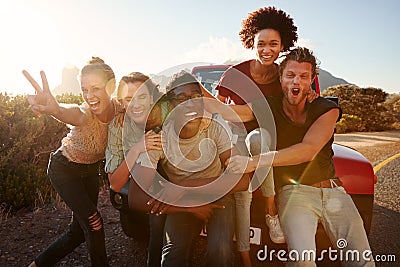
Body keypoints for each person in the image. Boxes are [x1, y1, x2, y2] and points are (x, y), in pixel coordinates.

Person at [215, 47, 374, 266]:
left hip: (334, 191)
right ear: (280, 78)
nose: (296, 82)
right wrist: (194, 95)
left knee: (362, 261)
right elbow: (234, 112)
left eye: (303, 76)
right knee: (303, 262)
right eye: (290, 75)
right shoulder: (270, 106)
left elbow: (308, 150)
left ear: (312, 80)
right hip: (295, 193)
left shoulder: (326, 108)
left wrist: (252, 162)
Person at [127, 71, 250, 266]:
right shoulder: (160, 138)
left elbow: (243, 180)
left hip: (217, 195)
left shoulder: (214, 128)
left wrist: (185, 186)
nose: (189, 104)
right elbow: (135, 198)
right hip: (183, 202)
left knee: (221, 252)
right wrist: (189, 204)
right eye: (181, 99)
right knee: (172, 256)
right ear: (171, 104)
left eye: (195, 97)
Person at [213, 6, 303, 266]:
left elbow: (294, 107)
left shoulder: (285, 76)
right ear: (251, 42)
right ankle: (243, 253)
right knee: (241, 185)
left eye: (273, 44)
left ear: (282, 44)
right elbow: (218, 110)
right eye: (261, 43)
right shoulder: (235, 73)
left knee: (260, 139)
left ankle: (271, 210)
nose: (267, 49)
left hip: (267, 138)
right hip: (233, 135)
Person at [24, 57, 119, 267]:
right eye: (84, 89)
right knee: (94, 223)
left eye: (96, 88)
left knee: (78, 232)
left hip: (91, 172)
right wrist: (54, 109)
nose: (89, 96)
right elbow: (70, 111)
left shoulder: (119, 110)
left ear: (111, 87)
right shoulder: (85, 114)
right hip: (64, 169)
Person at [104, 72, 169, 267]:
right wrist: (138, 147)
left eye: (142, 96)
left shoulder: (168, 109)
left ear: (152, 97)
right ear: (122, 103)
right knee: (155, 211)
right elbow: (115, 183)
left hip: (177, 173)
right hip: (145, 177)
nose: (137, 104)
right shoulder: (118, 127)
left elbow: (197, 97)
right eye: (129, 99)